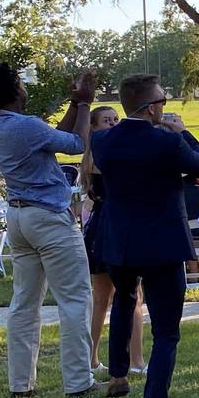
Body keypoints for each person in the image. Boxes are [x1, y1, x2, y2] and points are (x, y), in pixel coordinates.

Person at [92, 73, 199, 398]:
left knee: (124, 304)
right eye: (162, 101)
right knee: (166, 332)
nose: (165, 107)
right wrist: (182, 132)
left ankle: (117, 376)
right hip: (161, 242)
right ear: (149, 107)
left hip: (120, 240)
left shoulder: (102, 141)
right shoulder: (166, 142)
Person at [0, 64, 99, 398]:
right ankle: (79, 383)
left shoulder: (2, 125)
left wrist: (75, 104)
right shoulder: (25, 125)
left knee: (24, 303)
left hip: (20, 219)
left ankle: (21, 384)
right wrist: (87, 104)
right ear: (16, 91)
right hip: (48, 217)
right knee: (75, 298)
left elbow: (53, 139)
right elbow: (76, 144)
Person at [80, 105, 146, 377]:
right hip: (112, 225)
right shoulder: (99, 156)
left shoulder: (99, 153)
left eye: (116, 119)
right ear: (93, 127)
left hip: (104, 225)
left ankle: (98, 358)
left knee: (113, 296)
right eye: (106, 121)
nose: (113, 124)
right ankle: (131, 360)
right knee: (120, 296)